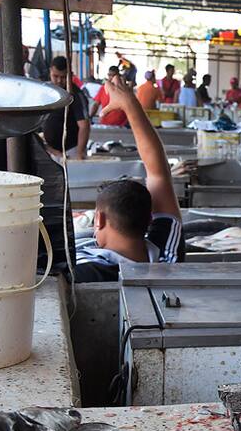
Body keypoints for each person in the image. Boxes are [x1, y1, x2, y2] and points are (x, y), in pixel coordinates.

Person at [74, 75, 185, 282]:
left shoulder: (83, 271)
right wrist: (130, 104)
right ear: (150, 220)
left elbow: (158, 174)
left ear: (99, 220)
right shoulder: (166, 256)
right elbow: (159, 174)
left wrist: (130, 104)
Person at [42, 56, 90, 160]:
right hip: (50, 150)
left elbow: (84, 126)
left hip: (71, 150)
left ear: (71, 75)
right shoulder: (46, 91)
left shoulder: (76, 95)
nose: (59, 80)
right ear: (50, 72)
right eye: (55, 76)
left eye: (63, 77)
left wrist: (80, 152)